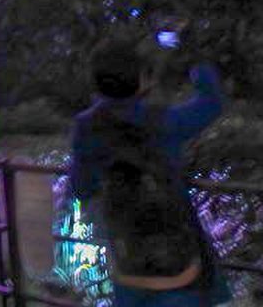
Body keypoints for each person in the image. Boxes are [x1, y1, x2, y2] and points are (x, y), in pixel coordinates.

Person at [69, 39, 231, 307]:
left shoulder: (86, 127)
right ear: (140, 79)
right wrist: (197, 60)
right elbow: (211, 103)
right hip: (179, 264)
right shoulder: (162, 121)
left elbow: (81, 187)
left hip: (128, 259)